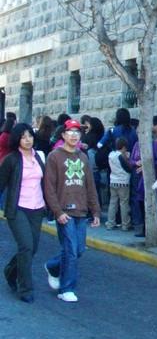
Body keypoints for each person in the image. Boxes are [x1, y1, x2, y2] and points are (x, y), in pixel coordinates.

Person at [44, 119, 101, 303]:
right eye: (71, 131)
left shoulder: (83, 157)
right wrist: (57, 211)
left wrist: (96, 212)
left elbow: (90, 186)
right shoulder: (54, 156)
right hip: (64, 212)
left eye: (78, 132)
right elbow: (49, 187)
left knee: (79, 250)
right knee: (70, 250)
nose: (74, 135)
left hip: (81, 211)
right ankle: (66, 288)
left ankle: (53, 266)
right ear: (63, 135)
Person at [0, 123, 46, 302]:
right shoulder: (11, 159)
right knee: (26, 245)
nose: (28, 140)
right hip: (17, 208)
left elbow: (45, 182)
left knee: (32, 248)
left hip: (37, 208)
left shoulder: (39, 156)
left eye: (30, 136)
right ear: (17, 139)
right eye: (23, 137)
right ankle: (25, 288)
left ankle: (10, 270)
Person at [105, 137, 132, 230]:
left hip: (113, 181)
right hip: (123, 182)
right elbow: (128, 168)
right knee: (124, 204)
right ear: (123, 147)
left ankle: (110, 223)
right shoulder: (121, 156)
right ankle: (125, 224)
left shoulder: (111, 155)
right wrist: (128, 159)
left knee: (113, 203)